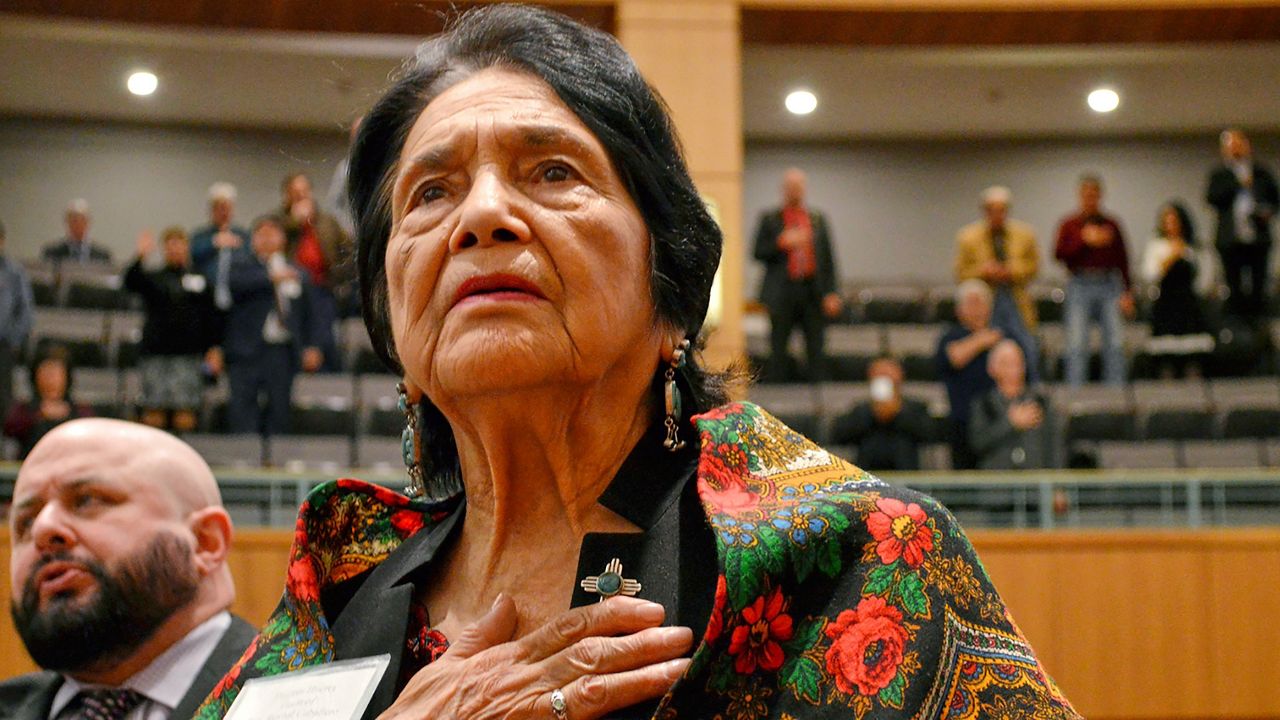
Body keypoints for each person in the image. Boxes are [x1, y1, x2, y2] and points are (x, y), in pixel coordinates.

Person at [197, 7, 1078, 720]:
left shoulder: (853, 554)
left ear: (671, 290)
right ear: (396, 324)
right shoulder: (337, 586)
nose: (483, 215)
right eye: (431, 192)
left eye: (551, 171)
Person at [0, 418, 256, 720]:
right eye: (25, 522)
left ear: (204, 543)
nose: (43, 529)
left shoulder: (308, 704)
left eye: (87, 500)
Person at [223, 216, 328, 436]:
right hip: (247, 351)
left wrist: (313, 346)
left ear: (282, 238)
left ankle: (275, 461)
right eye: (262, 233)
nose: (267, 238)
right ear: (252, 239)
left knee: (280, 409)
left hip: (282, 351)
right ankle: (246, 461)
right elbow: (235, 285)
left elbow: (313, 313)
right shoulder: (241, 266)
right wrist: (271, 277)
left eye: (273, 233)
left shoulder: (298, 272)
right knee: (243, 409)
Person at [122, 227, 222, 432]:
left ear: (187, 247)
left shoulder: (201, 280)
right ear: (164, 248)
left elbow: (212, 318)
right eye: (170, 244)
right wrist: (140, 256)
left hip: (189, 356)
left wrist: (214, 349)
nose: (175, 249)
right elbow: (129, 282)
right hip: (155, 355)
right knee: (153, 410)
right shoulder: (153, 278)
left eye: (180, 244)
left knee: (185, 411)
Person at [753, 168, 842, 382]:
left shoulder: (818, 219)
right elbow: (757, 252)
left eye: (798, 186)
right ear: (784, 190)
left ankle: (817, 396)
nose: (795, 191)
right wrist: (780, 243)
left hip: (812, 291)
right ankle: (779, 397)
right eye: (791, 187)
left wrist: (832, 292)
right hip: (782, 293)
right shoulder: (770, 219)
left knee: (816, 348)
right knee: (778, 348)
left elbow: (828, 259)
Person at [953, 185, 1041, 383]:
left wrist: (1011, 270)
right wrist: (983, 271)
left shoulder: (1025, 234)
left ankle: (1033, 391)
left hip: (1016, 300)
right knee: (989, 352)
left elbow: (1034, 267)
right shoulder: (968, 237)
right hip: (986, 303)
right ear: (984, 211)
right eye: (992, 210)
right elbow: (960, 273)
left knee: (1028, 348)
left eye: (1001, 210)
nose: (997, 215)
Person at [1054, 175, 1135, 387]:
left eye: (1094, 195)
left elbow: (1123, 260)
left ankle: (1115, 396)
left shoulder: (1112, 224)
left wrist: (1127, 292)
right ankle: (1076, 397)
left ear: (1100, 196)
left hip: (1109, 285)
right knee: (1077, 345)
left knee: (1116, 344)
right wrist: (1084, 240)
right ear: (1080, 196)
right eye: (1086, 195)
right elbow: (1059, 254)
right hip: (1080, 284)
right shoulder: (1070, 224)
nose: (1090, 199)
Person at [273, 172, 352, 371]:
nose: (301, 196)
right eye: (295, 192)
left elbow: (349, 251)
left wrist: (338, 276)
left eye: (304, 191)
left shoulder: (326, 221)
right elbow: (272, 245)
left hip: (322, 289)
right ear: (287, 195)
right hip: (290, 292)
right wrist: (295, 222)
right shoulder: (279, 221)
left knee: (325, 342)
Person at [935, 280, 1016, 471]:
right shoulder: (950, 337)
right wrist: (982, 339)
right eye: (971, 303)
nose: (976, 309)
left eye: (981, 303)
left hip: (998, 419)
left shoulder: (1004, 336)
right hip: (962, 421)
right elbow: (954, 357)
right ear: (959, 309)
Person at [1205, 129, 1279, 319]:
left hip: (1258, 240)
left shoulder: (1261, 171)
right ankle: (1237, 332)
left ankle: (1259, 332)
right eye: (1232, 145)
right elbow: (1212, 198)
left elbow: (1275, 200)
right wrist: (1239, 184)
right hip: (1230, 241)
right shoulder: (1220, 174)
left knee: (1259, 289)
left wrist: (1267, 213)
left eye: (1240, 143)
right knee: (1234, 288)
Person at [1141, 202, 1215, 379]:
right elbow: (1149, 275)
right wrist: (1170, 257)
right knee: (1166, 361)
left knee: (1193, 361)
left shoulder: (1194, 247)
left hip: (1189, 306)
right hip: (1166, 306)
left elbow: (1204, 279)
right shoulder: (1156, 246)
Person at [969, 340, 1061, 470]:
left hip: (1035, 482)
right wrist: (1010, 423)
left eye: (1017, 362)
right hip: (998, 484)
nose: (1014, 368)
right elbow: (978, 443)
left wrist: (1058, 483)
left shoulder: (1041, 402)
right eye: (1006, 363)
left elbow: (1054, 446)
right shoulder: (984, 404)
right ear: (992, 368)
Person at [830, 355, 932, 471]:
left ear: (900, 374)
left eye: (888, 372)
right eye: (879, 372)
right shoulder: (860, 410)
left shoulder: (916, 408)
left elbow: (929, 434)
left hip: (906, 473)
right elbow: (839, 435)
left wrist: (898, 413)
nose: (884, 376)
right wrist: (872, 414)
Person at [3, 343, 93, 459]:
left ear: (66, 376)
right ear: (35, 376)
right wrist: (38, 415)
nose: (51, 378)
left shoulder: (81, 410)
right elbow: (9, 428)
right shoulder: (25, 409)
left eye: (56, 372)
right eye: (46, 372)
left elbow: (89, 435)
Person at [189, 182, 252, 313]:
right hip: (206, 300)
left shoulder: (243, 236)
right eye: (219, 208)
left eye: (227, 208)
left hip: (238, 300)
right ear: (211, 210)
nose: (223, 212)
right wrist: (214, 243)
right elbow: (192, 255)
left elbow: (251, 261)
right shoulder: (200, 236)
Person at [0, 219, 35, 422]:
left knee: (3, 400)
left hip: (3, 346)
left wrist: (12, 340)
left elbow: (26, 312)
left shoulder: (14, 272)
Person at [40, 199, 113, 266]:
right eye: (74, 220)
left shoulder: (102, 255)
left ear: (88, 222)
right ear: (67, 222)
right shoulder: (52, 253)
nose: (78, 224)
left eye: (82, 220)